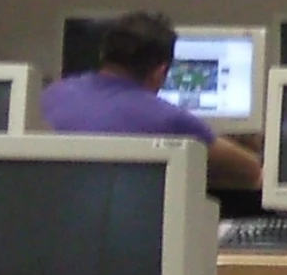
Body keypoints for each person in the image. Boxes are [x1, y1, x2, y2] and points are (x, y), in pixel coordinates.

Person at [41, 11, 263, 189]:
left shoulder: (52, 94)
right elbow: (251, 171)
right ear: (160, 72)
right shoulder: (167, 119)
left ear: (104, 55)